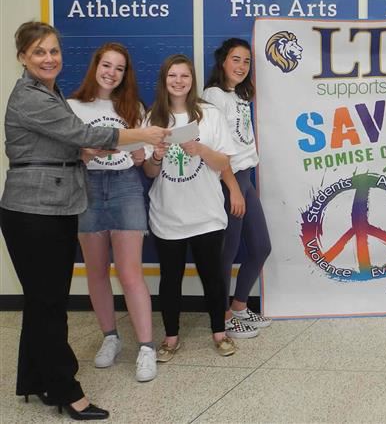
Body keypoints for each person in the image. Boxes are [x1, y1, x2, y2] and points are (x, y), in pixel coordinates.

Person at [1, 21, 168, 420]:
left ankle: (34, 380)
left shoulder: (48, 92)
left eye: (54, 51)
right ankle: (66, 391)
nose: (49, 58)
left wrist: (86, 154)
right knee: (49, 304)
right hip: (35, 208)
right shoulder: (31, 96)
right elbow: (83, 132)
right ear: (22, 56)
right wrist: (145, 135)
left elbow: (69, 145)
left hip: (54, 203)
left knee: (44, 301)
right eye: (39, 52)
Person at [67, 43, 157, 382]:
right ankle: (110, 338)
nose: (112, 73)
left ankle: (146, 346)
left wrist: (142, 157)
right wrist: (81, 154)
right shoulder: (72, 106)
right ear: (95, 66)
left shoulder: (133, 107)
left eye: (119, 68)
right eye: (107, 65)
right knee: (96, 271)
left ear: (125, 74)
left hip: (124, 187)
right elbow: (63, 150)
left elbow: (146, 161)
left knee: (130, 272)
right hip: (87, 187)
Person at [142, 54, 238, 360]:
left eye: (184, 76)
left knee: (213, 277)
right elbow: (149, 172)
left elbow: (224, 162)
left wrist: (200, 149)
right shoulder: (152, 118)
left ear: (192, 80)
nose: (179, 81)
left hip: (206, 214)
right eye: (173, 76)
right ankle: (170, 339)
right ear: (164, 80)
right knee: (170, 279)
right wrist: (155, 156)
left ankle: (220, 334)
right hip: (167, 214)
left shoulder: (209, 115)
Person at [203, 38, 272, 339]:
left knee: (260, 247)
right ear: (222, 62)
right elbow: (216, 146)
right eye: (236, 59)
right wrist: (232, 187)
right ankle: (224, 316)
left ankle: (240, 305)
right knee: (226, 252)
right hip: (227, 180)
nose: (241, 66)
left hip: (246, 177)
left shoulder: (239, 95)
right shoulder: (213, 95)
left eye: (246, 61)